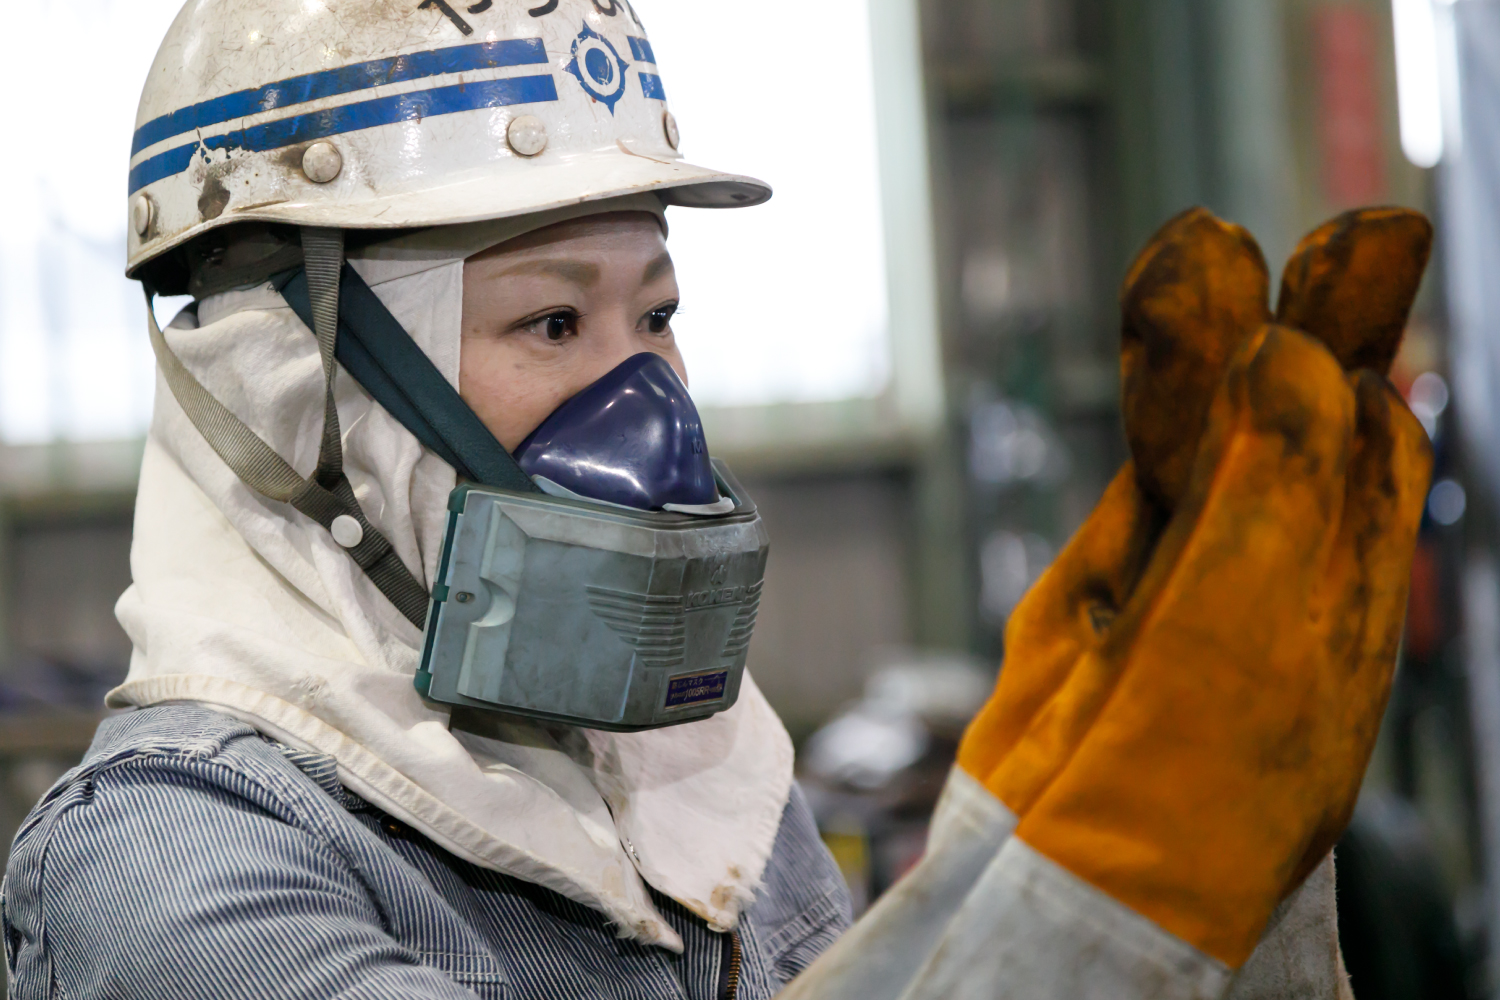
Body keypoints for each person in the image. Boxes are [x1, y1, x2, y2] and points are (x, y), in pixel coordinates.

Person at [2, 1, 1432, 998]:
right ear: (289, 396)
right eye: (552, 322)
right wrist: (1092, 924)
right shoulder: (180, 869)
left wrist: (1071, 861)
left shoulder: (700, 777)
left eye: (657, 315)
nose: (648, 404)